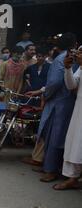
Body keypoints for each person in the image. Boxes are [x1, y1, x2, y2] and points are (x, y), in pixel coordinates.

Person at [38, 33, 77, 183]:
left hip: (58, 102)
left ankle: (51, 170)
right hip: (67, 102)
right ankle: (51, 167)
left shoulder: (60, 60)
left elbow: (54, 82)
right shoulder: (69, 59)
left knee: (54, 137)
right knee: (58, 136)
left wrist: (45, 95)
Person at [54, 46, 82, 190]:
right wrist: (68, 68)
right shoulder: (80, 69)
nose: (78, 55)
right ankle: (73, 178)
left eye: (80, 52)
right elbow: (71, 85)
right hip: (79, 112)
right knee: (75, 144)